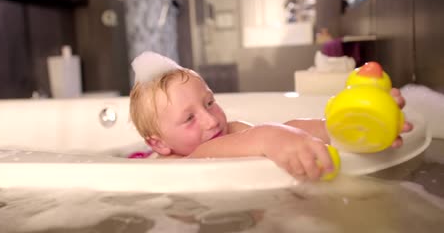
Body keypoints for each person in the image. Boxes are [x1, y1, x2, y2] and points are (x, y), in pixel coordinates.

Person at [129, 51, 413, 181]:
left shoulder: (230, 129)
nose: (211, 120)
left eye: (210, 102)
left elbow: (283, 129)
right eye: (189, 119)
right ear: (159, 144)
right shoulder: (173, 162)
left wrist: (342, 127)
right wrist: (267, 137)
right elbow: (259, 138)